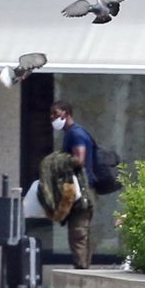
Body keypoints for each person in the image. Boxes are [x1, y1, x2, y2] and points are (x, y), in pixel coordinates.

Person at [49, 100, 97, 269]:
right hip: (78, 189)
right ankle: (82, 266)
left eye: (56, 113)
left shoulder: (75, 134)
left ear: (66, 113)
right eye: (52, 114)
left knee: (78, 232)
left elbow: (79, 159)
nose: (53, 117)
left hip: (82, 191)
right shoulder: (72, 133)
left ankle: (82, 269)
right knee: (78, 231)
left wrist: (57, 163)